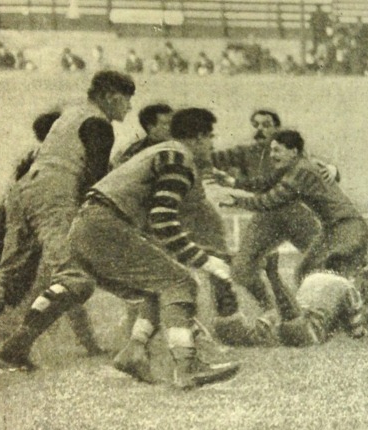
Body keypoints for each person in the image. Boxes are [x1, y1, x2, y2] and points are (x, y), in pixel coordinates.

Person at [0, 71, 134, 370]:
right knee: (76, 280)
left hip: (23, 192)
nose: (129, 107)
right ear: (110, 96)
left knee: (9, 277)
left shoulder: (69, 116)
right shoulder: (99, 124)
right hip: (53, 194)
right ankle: (16, 347)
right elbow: (96, 180)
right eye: (126, 99)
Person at [67, 108, 241, 389]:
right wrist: (205, 261)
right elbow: (163, 220)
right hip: (103, 226)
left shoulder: (162, 152)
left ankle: (134, 351)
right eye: (210, 138)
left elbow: (154, 220)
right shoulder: (180, 159)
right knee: (180, 282)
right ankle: (187, 366)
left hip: (86, 229)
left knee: (159, 285)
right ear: (197, 138)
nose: (212, 145)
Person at [0, 111, 105, 363]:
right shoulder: (56, 160)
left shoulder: (39, 158)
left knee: (8, 277)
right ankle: (22, 344)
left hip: (16, 209)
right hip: (36, 215)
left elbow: (15, 191)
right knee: (69, 278)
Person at [217, 130, 368, 301]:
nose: (272, 155)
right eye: (271, 150)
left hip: (346, 229)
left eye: (277, 150)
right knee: (308, 274)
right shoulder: (298, 167)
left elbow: (269, 201)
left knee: (324, 275)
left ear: (293, 152)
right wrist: (234, 183)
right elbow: (266, 182)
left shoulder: (300, 172)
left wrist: (237, 201)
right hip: (335, 230)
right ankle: (360, 307)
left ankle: (363, 311)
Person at [210, 113, 339, 320]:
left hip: (298, 216)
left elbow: (320, 169)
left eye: (266, 125)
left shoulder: (293, 154)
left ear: (277, 129)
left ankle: (348, 311)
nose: (260, 129)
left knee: (326, 263)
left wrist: (333, 169)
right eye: (256, 125)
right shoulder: (245, 152)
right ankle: (270, 309)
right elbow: (211, 158)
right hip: (266, 217)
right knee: (243, 268)